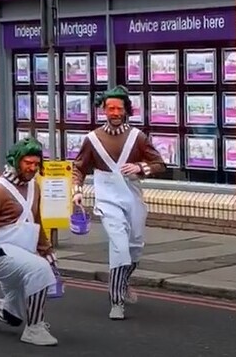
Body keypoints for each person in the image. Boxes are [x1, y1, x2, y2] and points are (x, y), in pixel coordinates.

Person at [72, 85, 167, 320]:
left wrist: (140, 167)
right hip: (107, 199)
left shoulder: (138, 137)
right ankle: (116, 302)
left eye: (118, 108)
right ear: (103, 109)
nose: (114, 112)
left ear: (126, 110)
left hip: (132, 196)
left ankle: (123, 282)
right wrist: (76, 191)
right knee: (119, 247)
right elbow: (79, 168)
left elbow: (160, 164)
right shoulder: (92, 139)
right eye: (110, 108)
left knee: (134, 248)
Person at [0, 138, 60, 346]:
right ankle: (34, 328)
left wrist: (45, 248)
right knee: (40, 269)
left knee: (13, 315)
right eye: (28, 163)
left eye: (36, 164)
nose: (32, 168)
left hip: (22, 252)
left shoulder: (35, 186)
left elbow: (36, 219)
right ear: (16, 161)